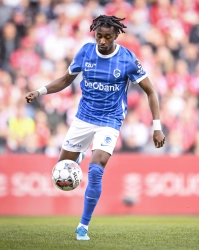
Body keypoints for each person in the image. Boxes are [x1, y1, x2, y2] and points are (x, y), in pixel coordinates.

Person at [25, 15, 165, 240]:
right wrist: (39, 91)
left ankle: (83, 226)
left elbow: (151, 91)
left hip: (110, 120)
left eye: (107, 37)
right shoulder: (85, 52)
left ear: (116, 35)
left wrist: (156, 126)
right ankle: (78, 156)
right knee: (63, 166)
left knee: (97, 168)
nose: (102, 40)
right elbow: (64, 80)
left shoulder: (127, 59)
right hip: (83, 118)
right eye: (99, 35)